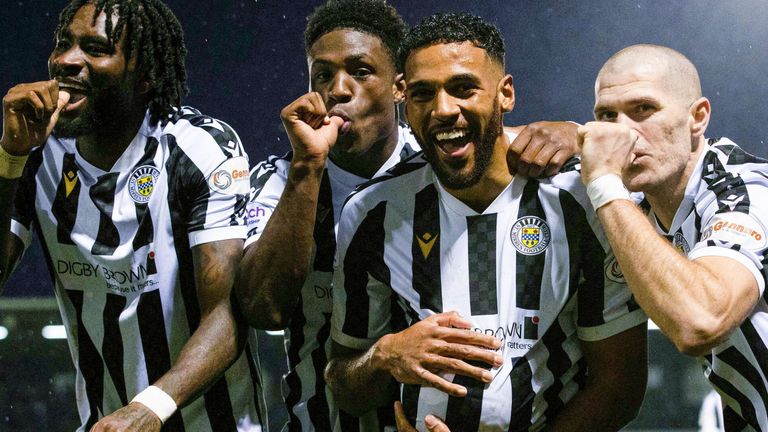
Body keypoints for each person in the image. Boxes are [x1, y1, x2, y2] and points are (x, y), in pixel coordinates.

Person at [233, 1, 580, 430]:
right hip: (320, 416)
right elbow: (264, 309)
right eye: (322, 75)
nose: (338, 89)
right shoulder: (281, 179)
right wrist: (308, 167)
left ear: (399, 87)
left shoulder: (442, 163)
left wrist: (577, 133)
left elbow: (495, 135)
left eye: (360, 71)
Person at [325, 12, 648, 432]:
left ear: (505, 94)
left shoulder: (580, 201)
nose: (443, 109)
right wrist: (385, 355)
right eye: (423, 94)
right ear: (405, 99)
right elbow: (346, 385)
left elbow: (619, 388)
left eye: (463, 89)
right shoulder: (373, 211)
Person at [0, 1, 262, 430]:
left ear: (147, 76)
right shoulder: (36, 154)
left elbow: (228, 313)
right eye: (63, 44)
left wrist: (149, 408)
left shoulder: (197, 150)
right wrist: (8, 157)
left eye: (95, 48)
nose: (66, 60)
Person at [578, 43, 768, 431]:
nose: (622, 134)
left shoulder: (746, 190)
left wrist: (603, 184)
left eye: (643, 110)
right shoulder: (637, 199)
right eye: (607, 115)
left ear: (697, 117)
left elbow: (700, 322)